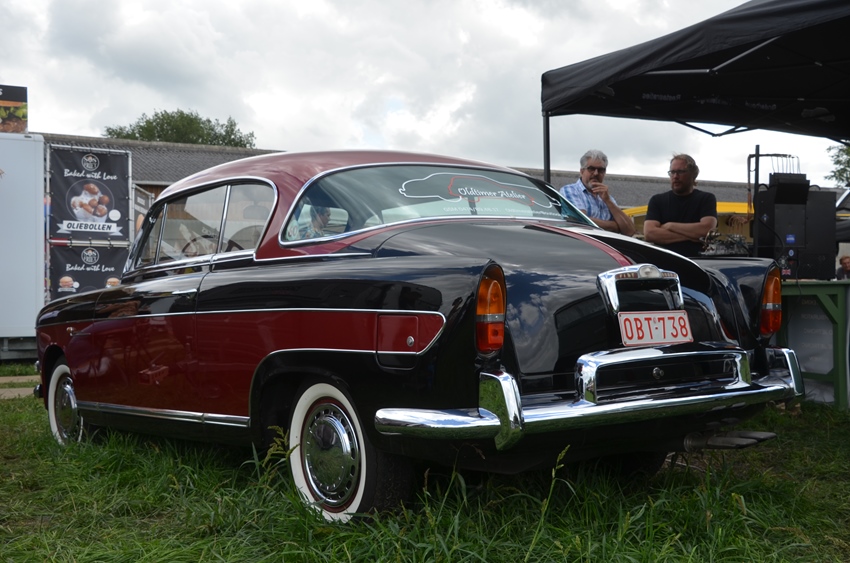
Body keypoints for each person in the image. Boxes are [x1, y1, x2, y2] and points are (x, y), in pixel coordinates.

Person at [643, 154, 717, 257]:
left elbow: (707, 230)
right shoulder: (657, 200)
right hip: (664, 260)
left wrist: (670, 226)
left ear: (693, 174)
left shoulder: (706, 199)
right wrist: (693, 236)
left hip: (696, 261)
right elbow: (650, 233)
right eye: (672, 172)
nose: (675, 176)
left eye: (680, 172)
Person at [560, 149, 635, 236]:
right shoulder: (570, 190)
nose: (596, 173)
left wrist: (608, 201)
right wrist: (616, 226)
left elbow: (630, 231)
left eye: (601, 170)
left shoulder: (608, 198)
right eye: (591, 169)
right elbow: (580, 222)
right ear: (582, 171)